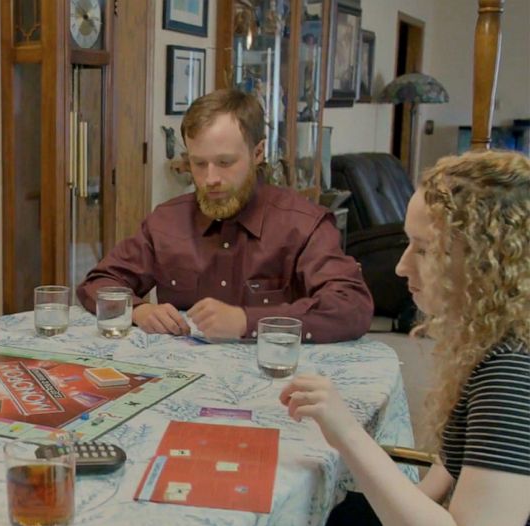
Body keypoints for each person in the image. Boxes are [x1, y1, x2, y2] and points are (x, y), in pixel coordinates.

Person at [282, 150, 530, 526]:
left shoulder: (512, 373)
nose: (400, 267)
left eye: (425, 250)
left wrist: (348, 434)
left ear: (488, 262)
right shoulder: (494, 340)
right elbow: (447, 470)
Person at [77, 89, 372, 343]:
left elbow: (351, 307)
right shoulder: (166, 221)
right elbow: (98, 282)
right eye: (199, 163)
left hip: (276, 384)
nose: (210, 179)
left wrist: (247, 321)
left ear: (257, 153)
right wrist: (138, 310)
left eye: (225, 162)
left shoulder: (304, 225)